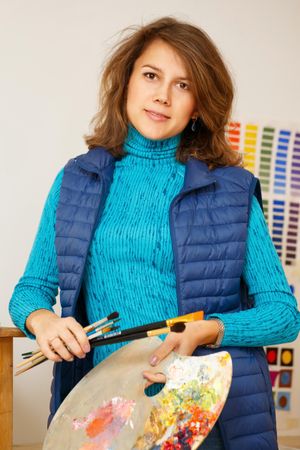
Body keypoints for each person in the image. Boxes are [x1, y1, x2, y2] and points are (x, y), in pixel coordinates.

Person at [9, 16, 299, 450]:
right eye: (151, 76)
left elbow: (283, 314)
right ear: (126, 83)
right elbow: (29, 291)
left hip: (196, 415)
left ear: (199, 105)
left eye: (183, 85)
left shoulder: (232, 190)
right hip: (101, 418)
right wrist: (44, 321)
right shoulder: (76, 180)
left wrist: (207, 330)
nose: (163, 95)